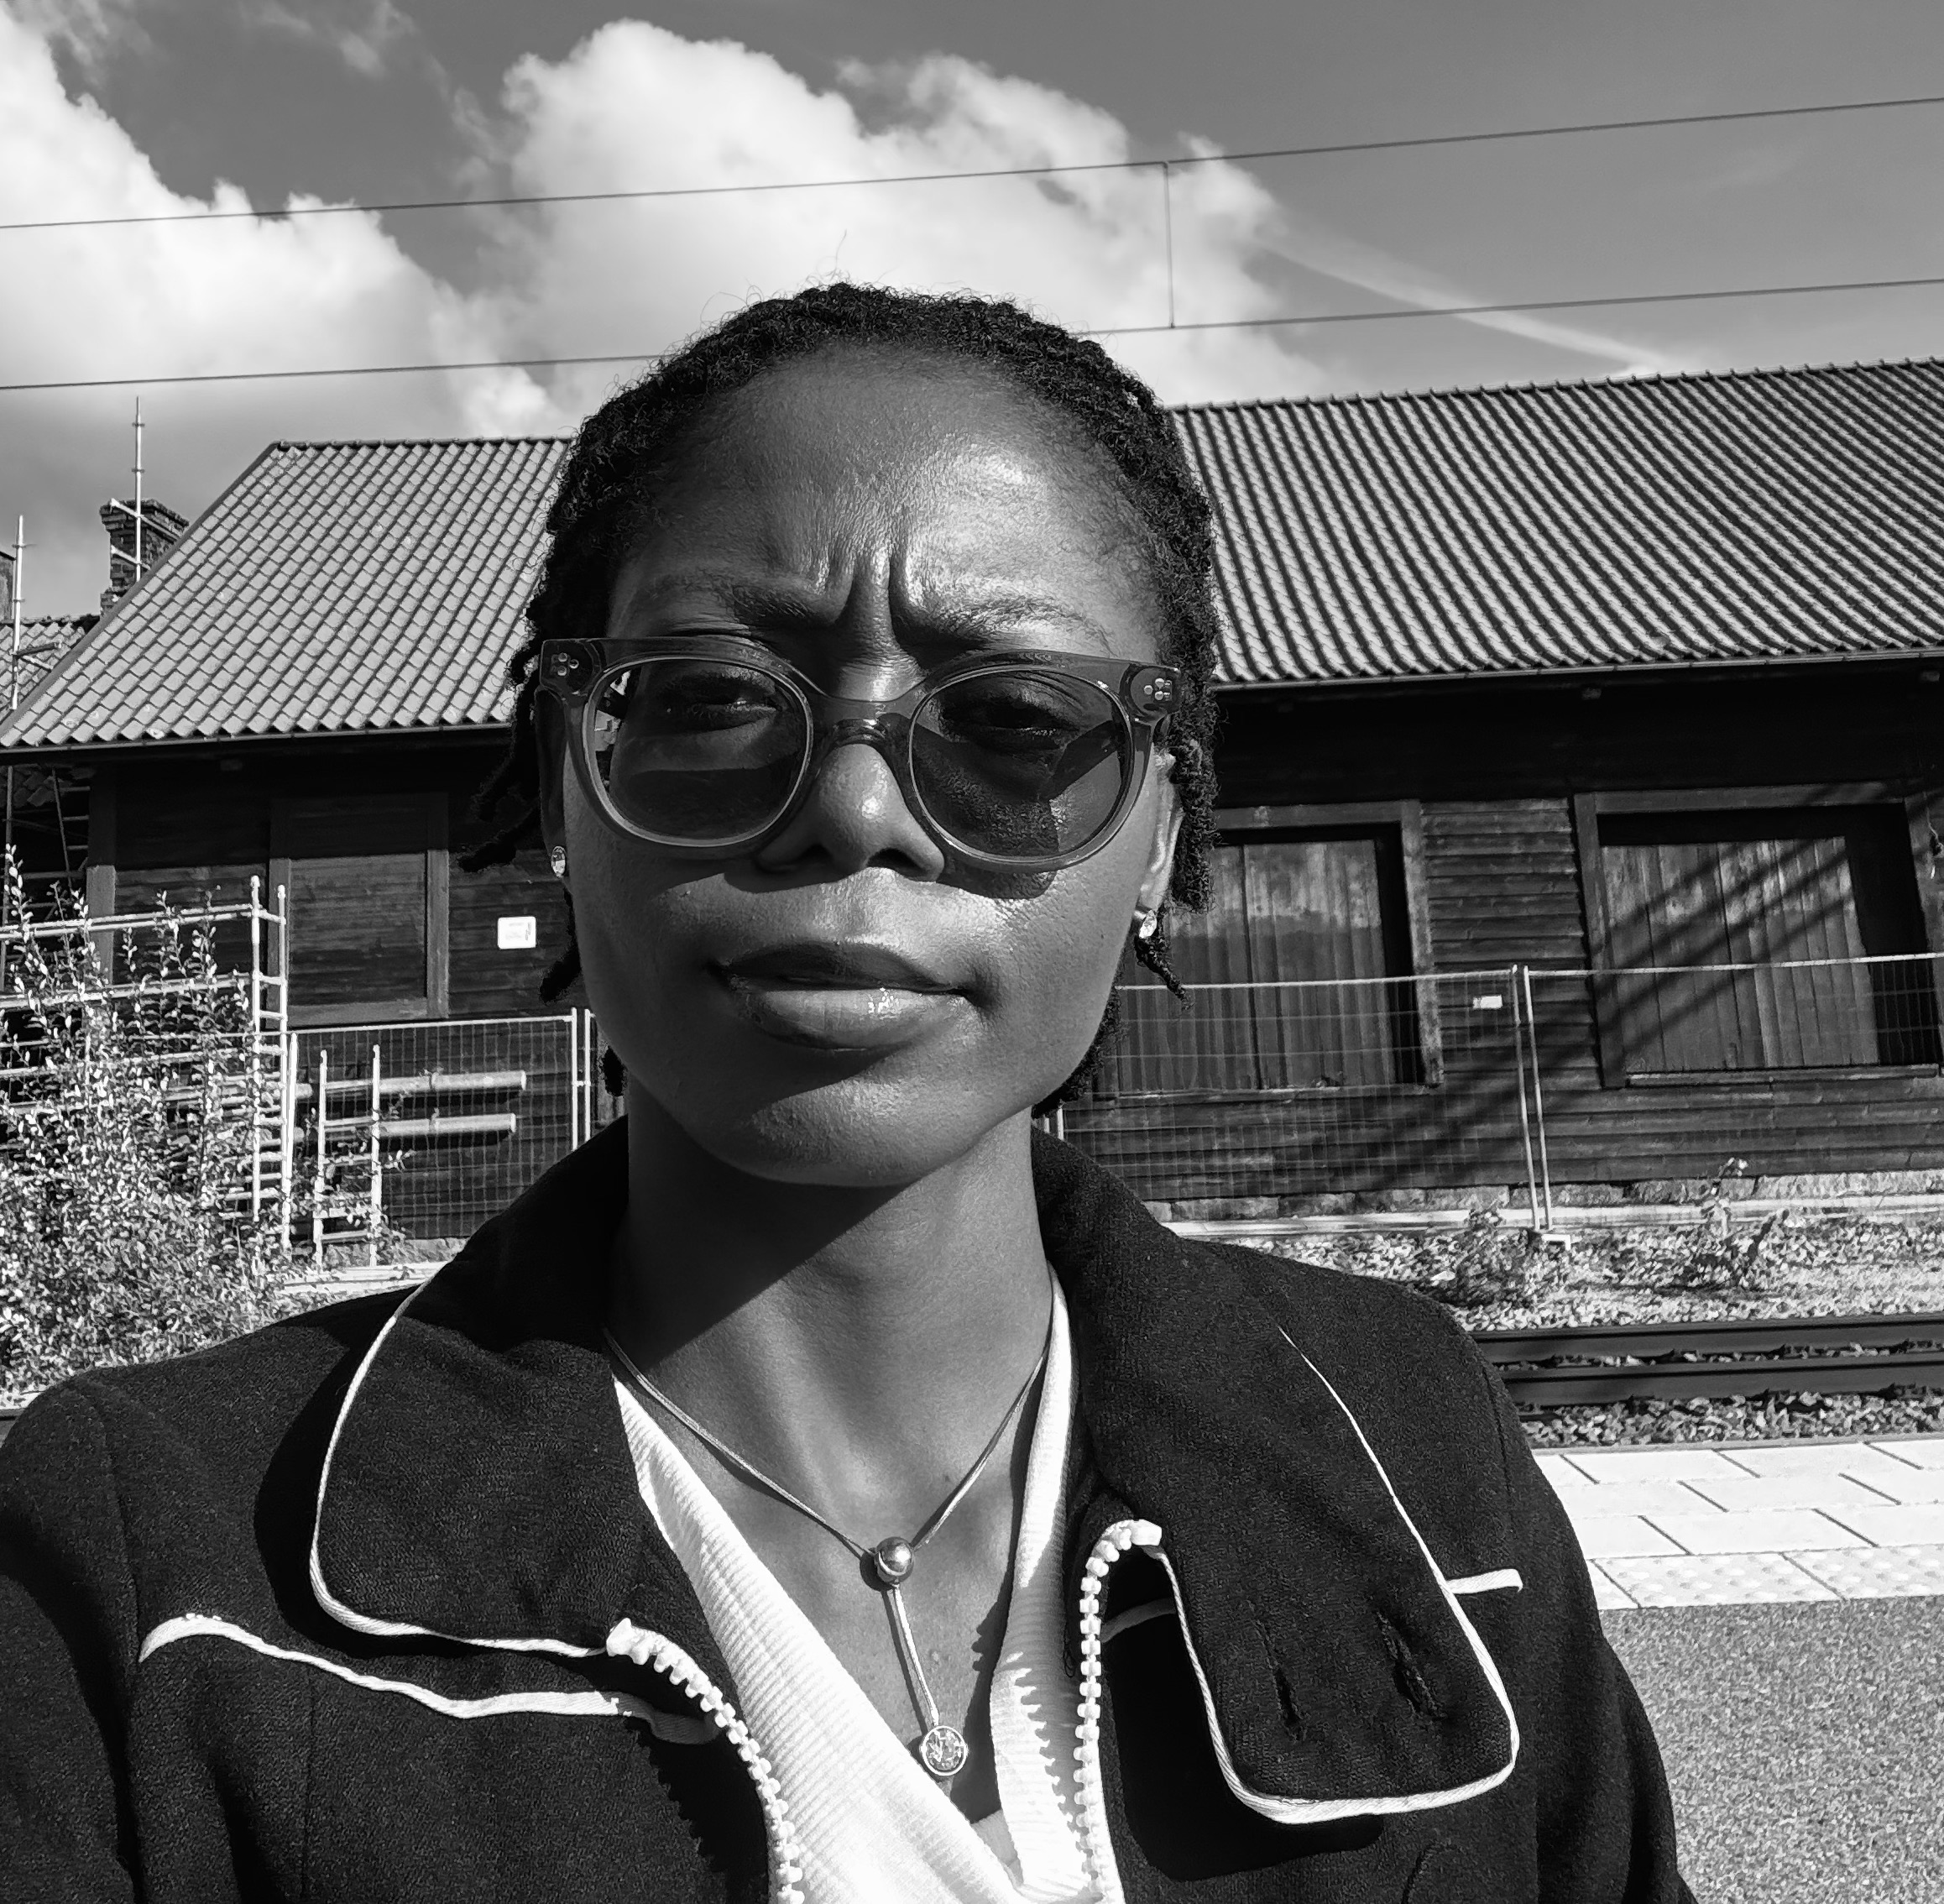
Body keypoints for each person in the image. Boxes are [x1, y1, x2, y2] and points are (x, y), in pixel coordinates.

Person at [0, 284, 1692, 1902]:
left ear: (1161, 839)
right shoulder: (143, 1573)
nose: (856, 811)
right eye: (712, 700)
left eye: (1016, 720)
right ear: (562, 793)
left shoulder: (1412, 1441)